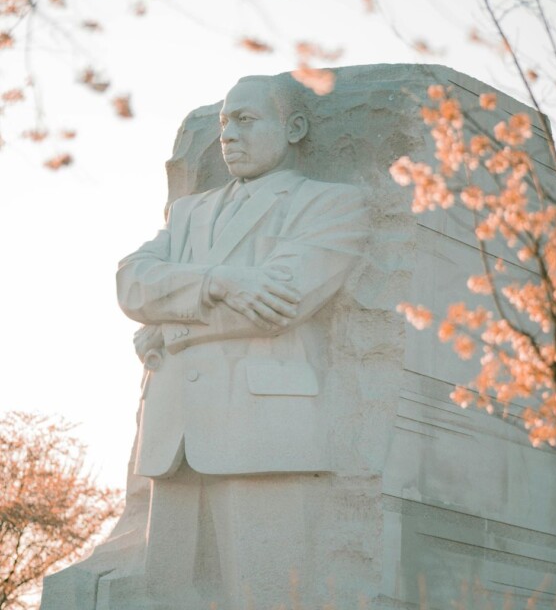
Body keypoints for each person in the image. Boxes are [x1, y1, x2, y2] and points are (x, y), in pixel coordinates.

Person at [115, 74, 369, 609]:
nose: (228, 134)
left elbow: (286, 301)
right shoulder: (188, 213)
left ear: (294, 127)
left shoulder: (331, 203)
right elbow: (132, 281)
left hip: (265, 434)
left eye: (246, 120)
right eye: (226, 121)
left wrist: (169, 326)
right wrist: (220, 282)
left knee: (266, 594)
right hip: (174, 438)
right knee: (164, 596)